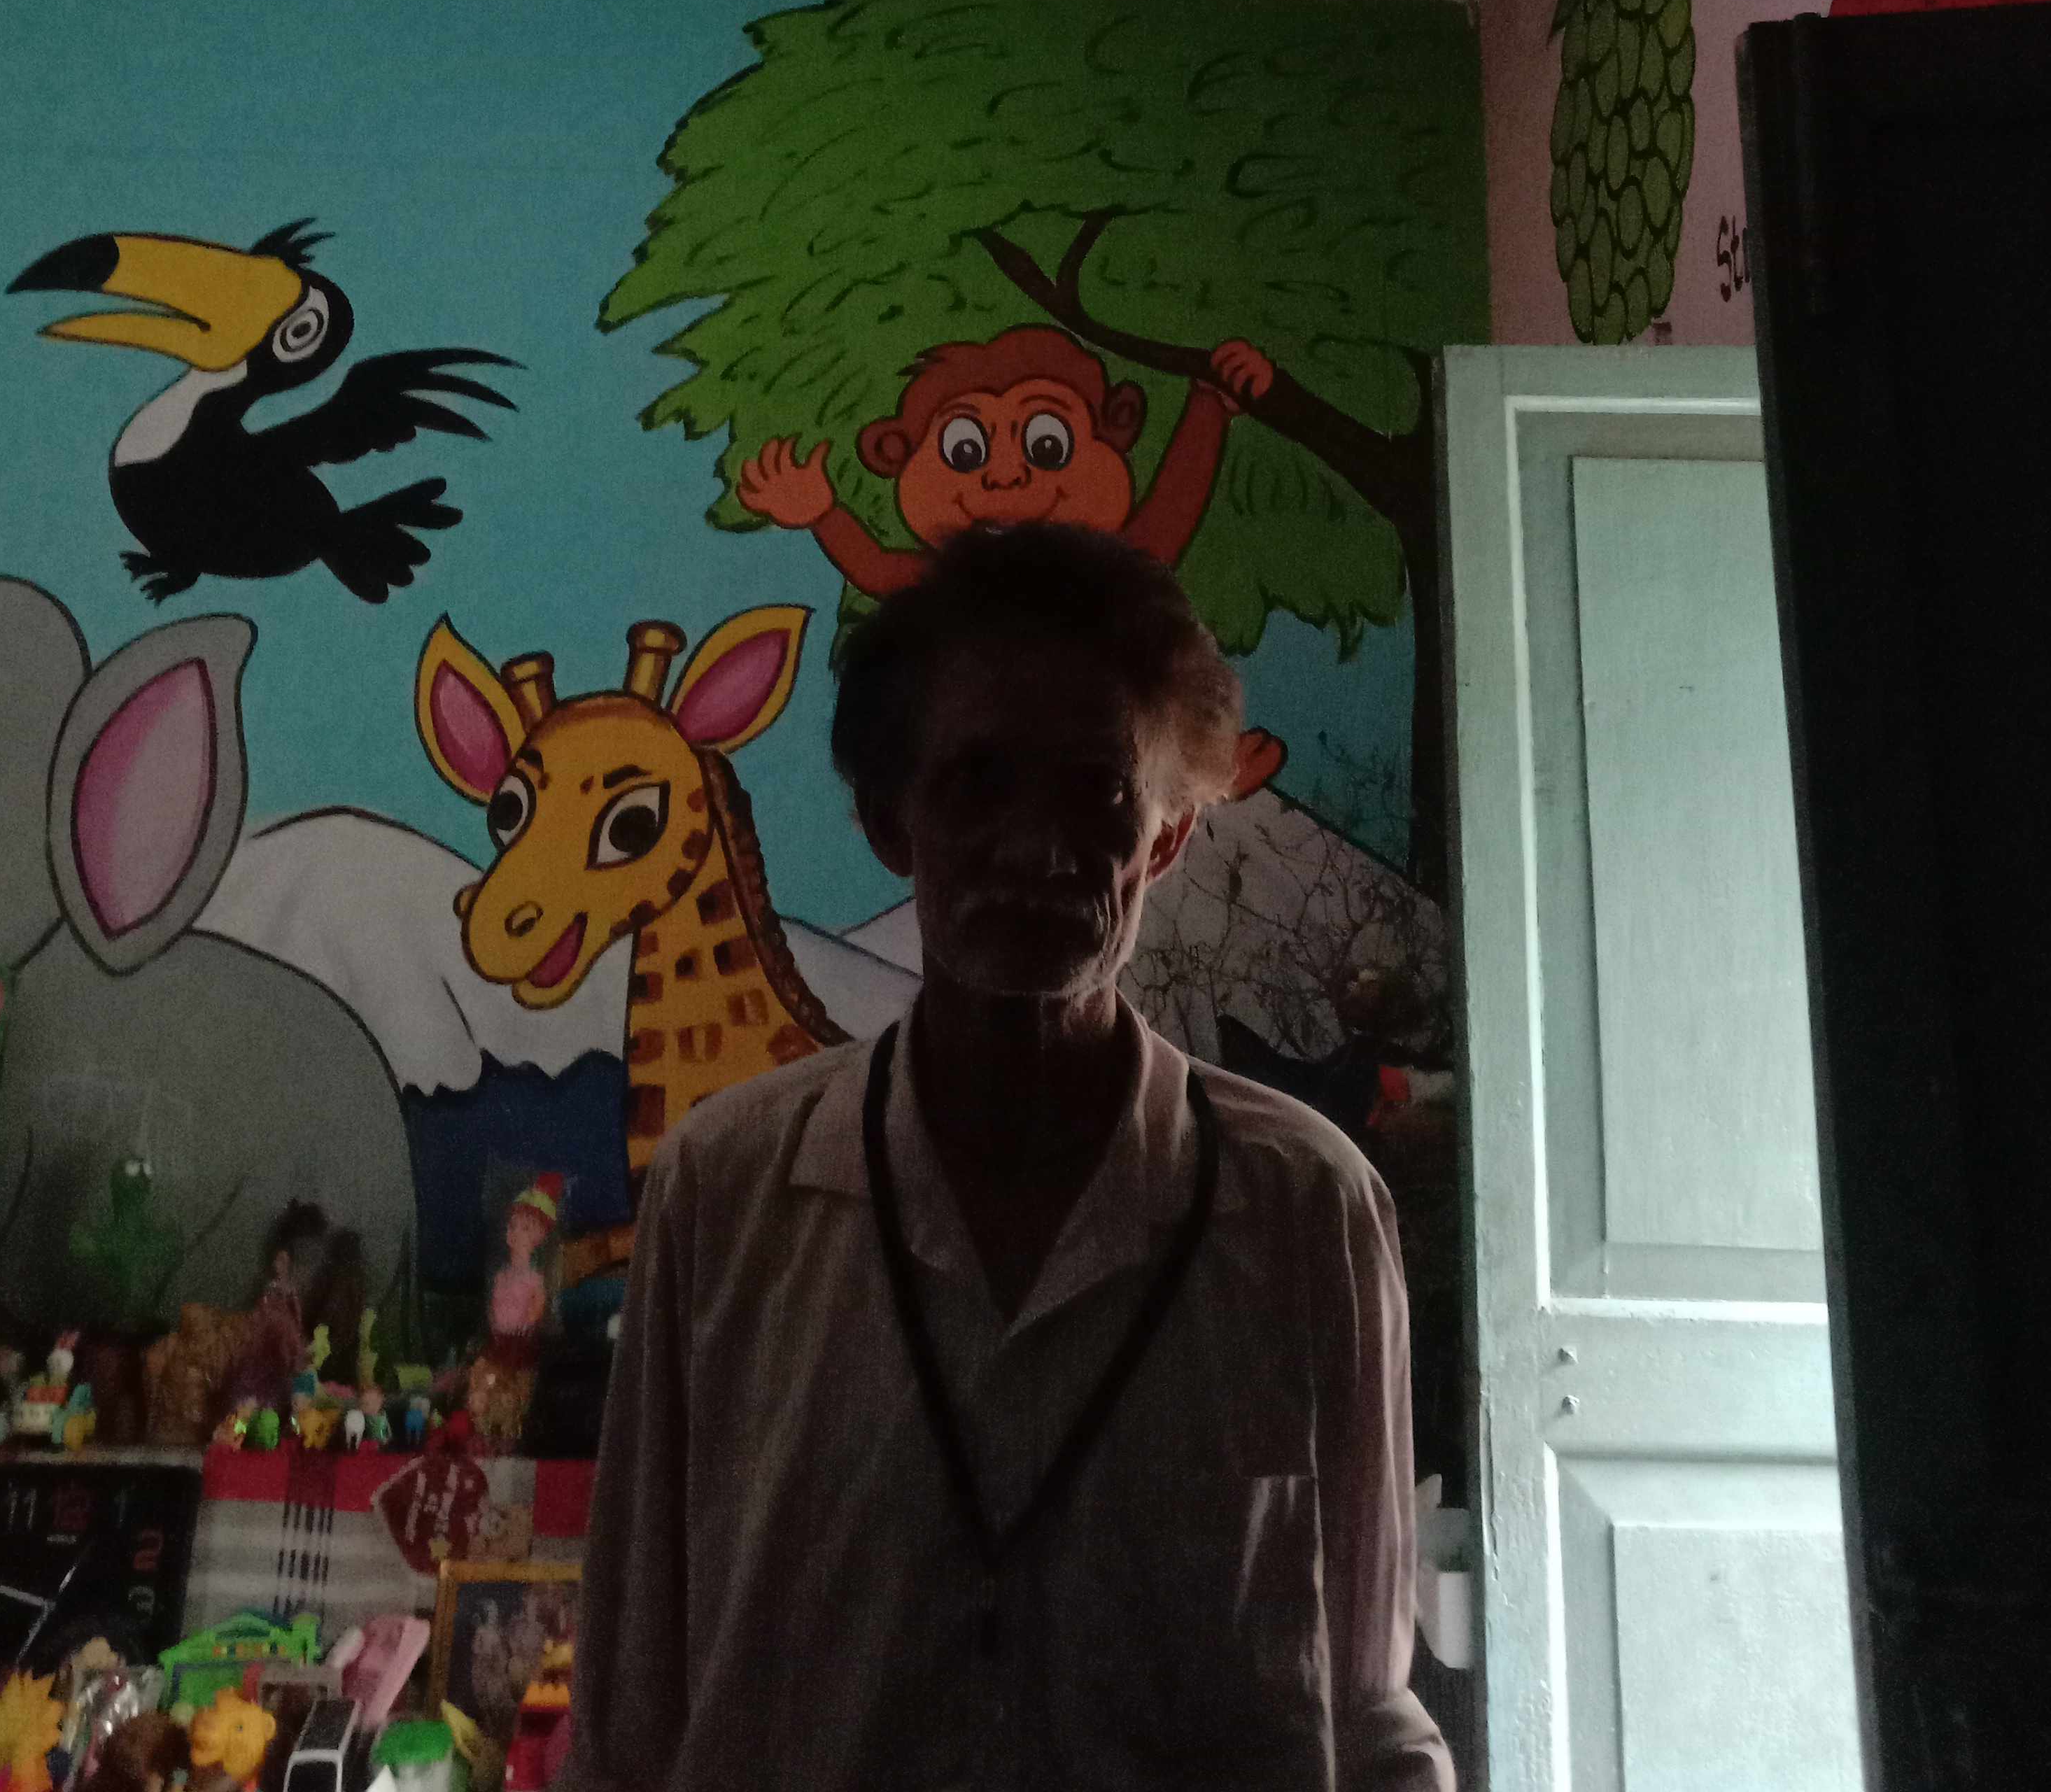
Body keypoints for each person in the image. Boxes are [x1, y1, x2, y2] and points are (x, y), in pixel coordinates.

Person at [563, 523, 1453, 1791]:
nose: (1038, 846)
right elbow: (627, 1722)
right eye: (979, 781)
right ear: (891, 820)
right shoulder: (729, 1189)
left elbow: (1365, 1708)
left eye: (1098, 792)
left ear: (1166, 839)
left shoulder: (1307, 1208)